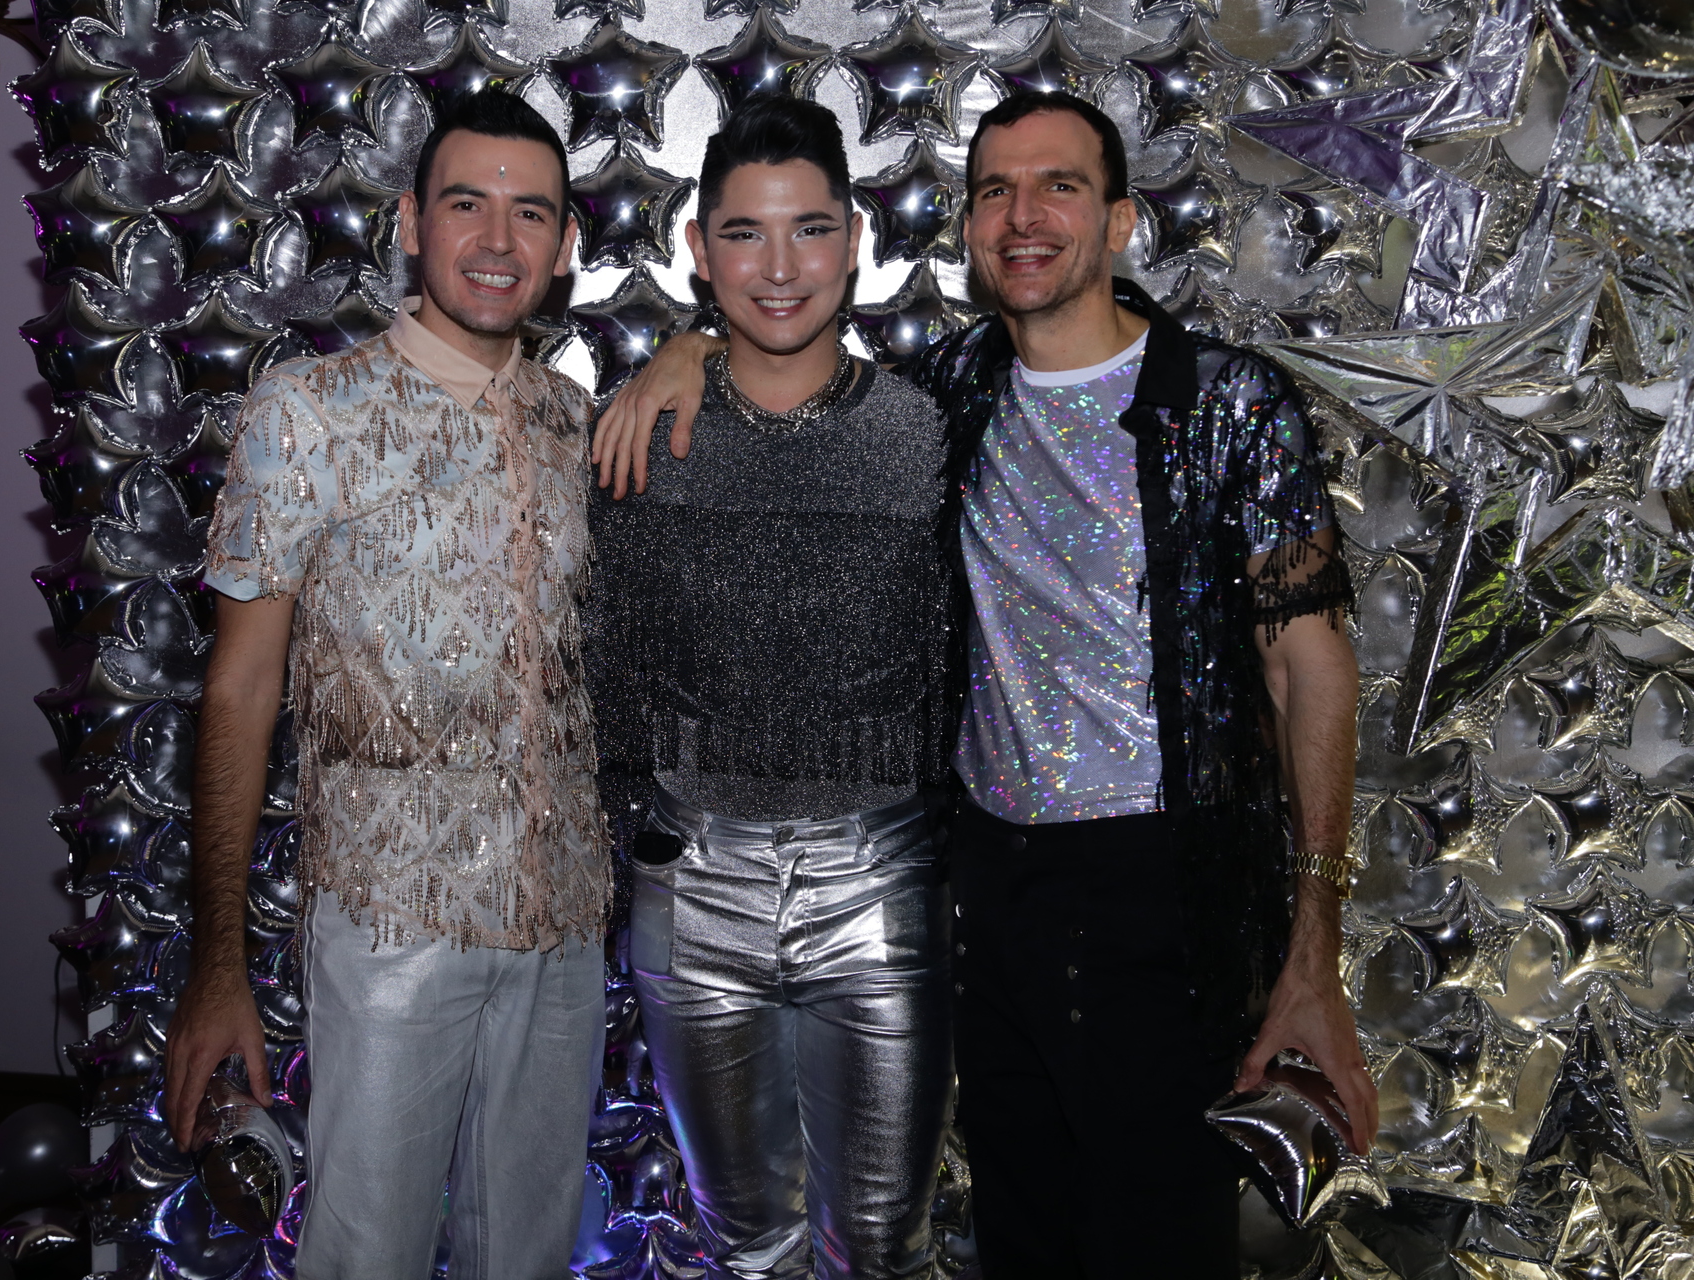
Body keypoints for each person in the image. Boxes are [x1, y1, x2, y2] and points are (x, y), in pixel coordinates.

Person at [592, 90, 1376, 1278]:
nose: (1024, 214)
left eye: (1060, 185)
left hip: (1162, 895)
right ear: (965, 227)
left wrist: (1314, 936)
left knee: (1159, 1241)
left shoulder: (1228, 403)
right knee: (1018, 1236)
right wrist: (690, 345)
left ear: (1120, 221)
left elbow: (1308, 663)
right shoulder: (954, 394)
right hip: (993, 892)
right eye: (996, 190)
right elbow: (790, 363)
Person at [163, 91, 607, 1280]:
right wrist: (219, 965)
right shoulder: (306, 414)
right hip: (389, 928)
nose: (498, 241)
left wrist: (696, 348)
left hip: (566, 927)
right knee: (366, 1256)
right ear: (412, 223)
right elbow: (239, 692)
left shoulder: (576, 423)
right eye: (467, 205)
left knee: (532, 1255)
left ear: (566, 244)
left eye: (531, 213)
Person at [584, 94, 954, 1279]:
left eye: (809, 230)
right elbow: (609, 671)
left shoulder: (931, 428)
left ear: (854, 240)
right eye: (745, 233)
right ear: (700, 250)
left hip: (881, 878)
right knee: (743, 1246)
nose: (780, 267)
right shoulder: (642, 436)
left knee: (881, 1247)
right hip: (692, 885)